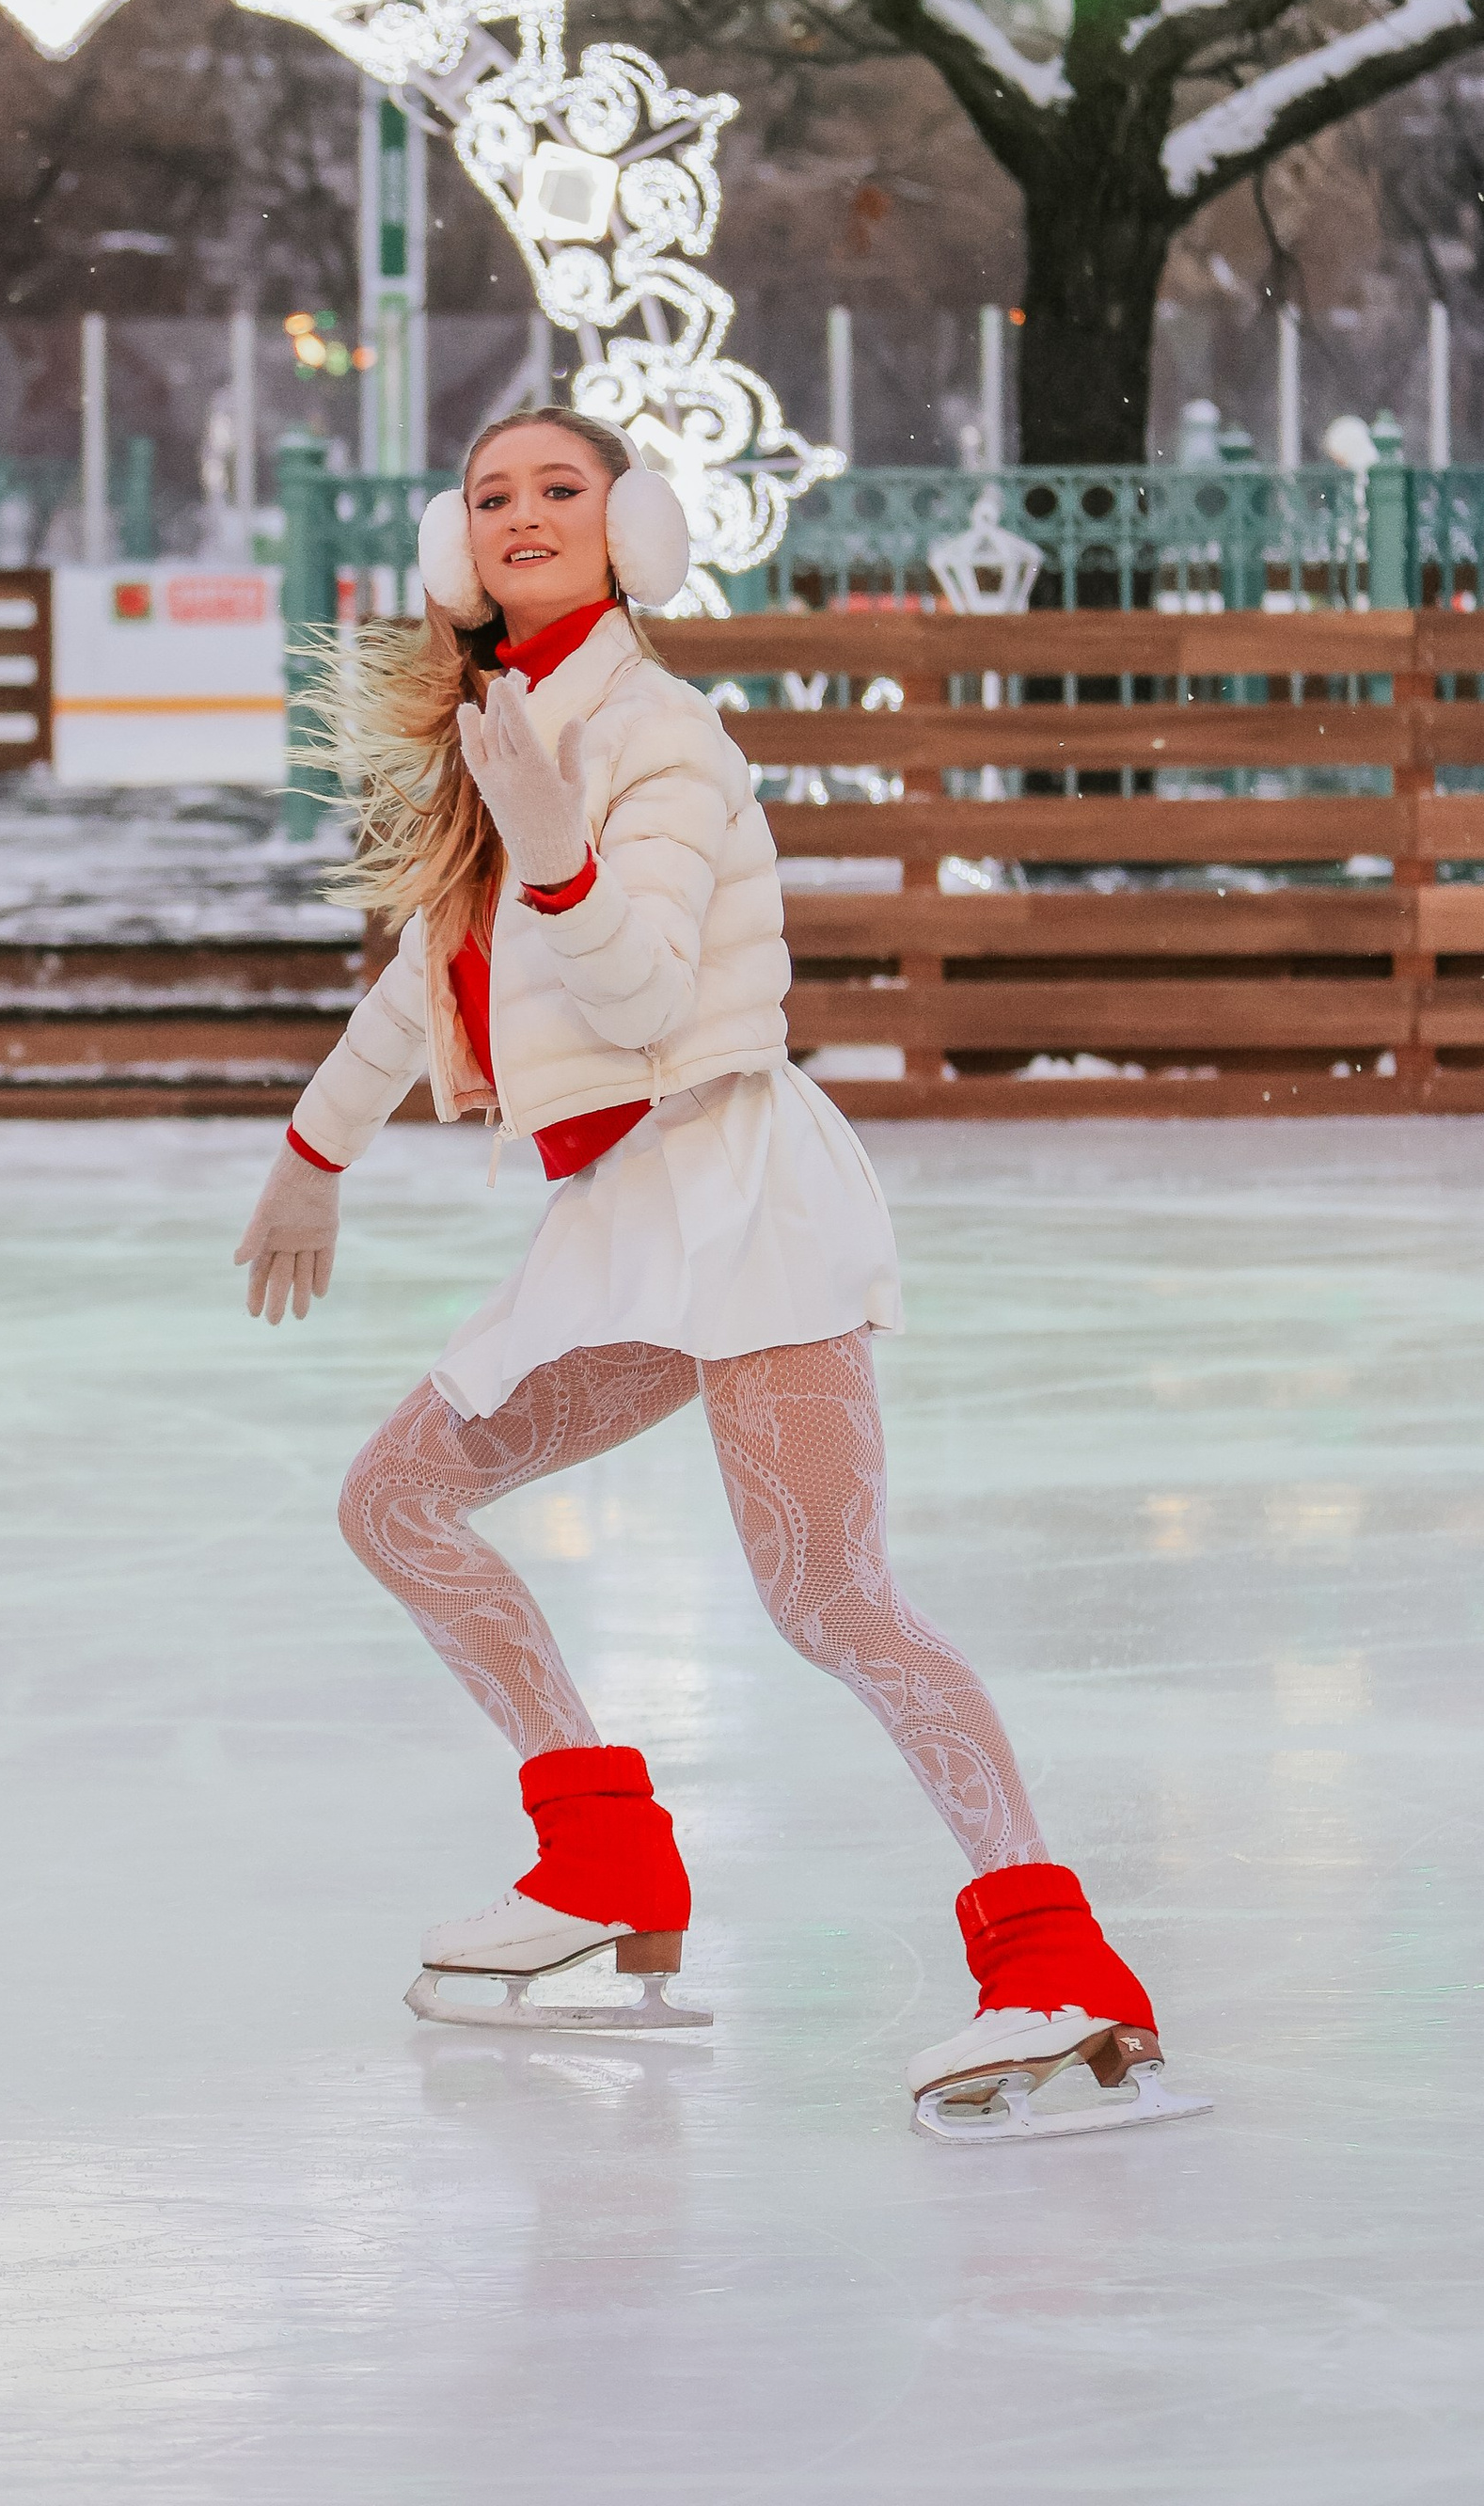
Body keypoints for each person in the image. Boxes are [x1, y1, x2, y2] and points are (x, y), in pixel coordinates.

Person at [232, 405, 1204, 2143]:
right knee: (394, 1504)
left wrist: (554, 848)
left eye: (562, 490)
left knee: (832, 1600)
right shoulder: (504, 728)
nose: (522, 514)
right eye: (491, 495)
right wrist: (314, 1154)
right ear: (457, 548)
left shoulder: (660, 736)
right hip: (619, 1226)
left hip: (740, 1193)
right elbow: (429, 974)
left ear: (633, 529)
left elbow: (633, 988)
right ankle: (604, 1864)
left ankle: (1064, 1976)